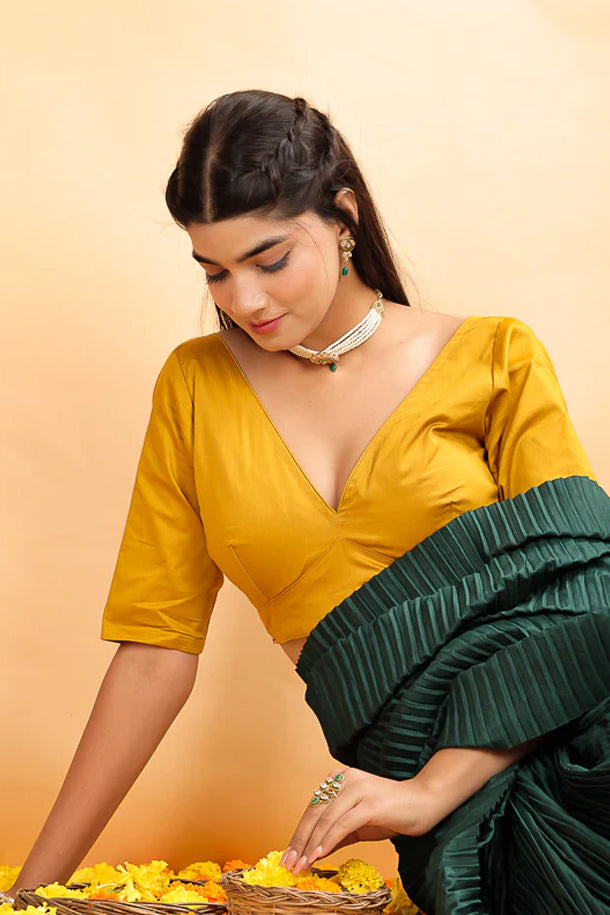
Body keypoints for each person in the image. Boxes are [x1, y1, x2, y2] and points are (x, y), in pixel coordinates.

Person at [5, 89, 609, 915]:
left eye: (270, 259)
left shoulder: (494, 357)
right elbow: (154, 653)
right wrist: (31, 892)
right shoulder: (196, 388)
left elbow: (587, 604)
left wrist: (431, 789)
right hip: (458, 833)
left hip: (579, 756)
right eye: (214, 271)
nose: (244, 299)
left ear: (343, 217)